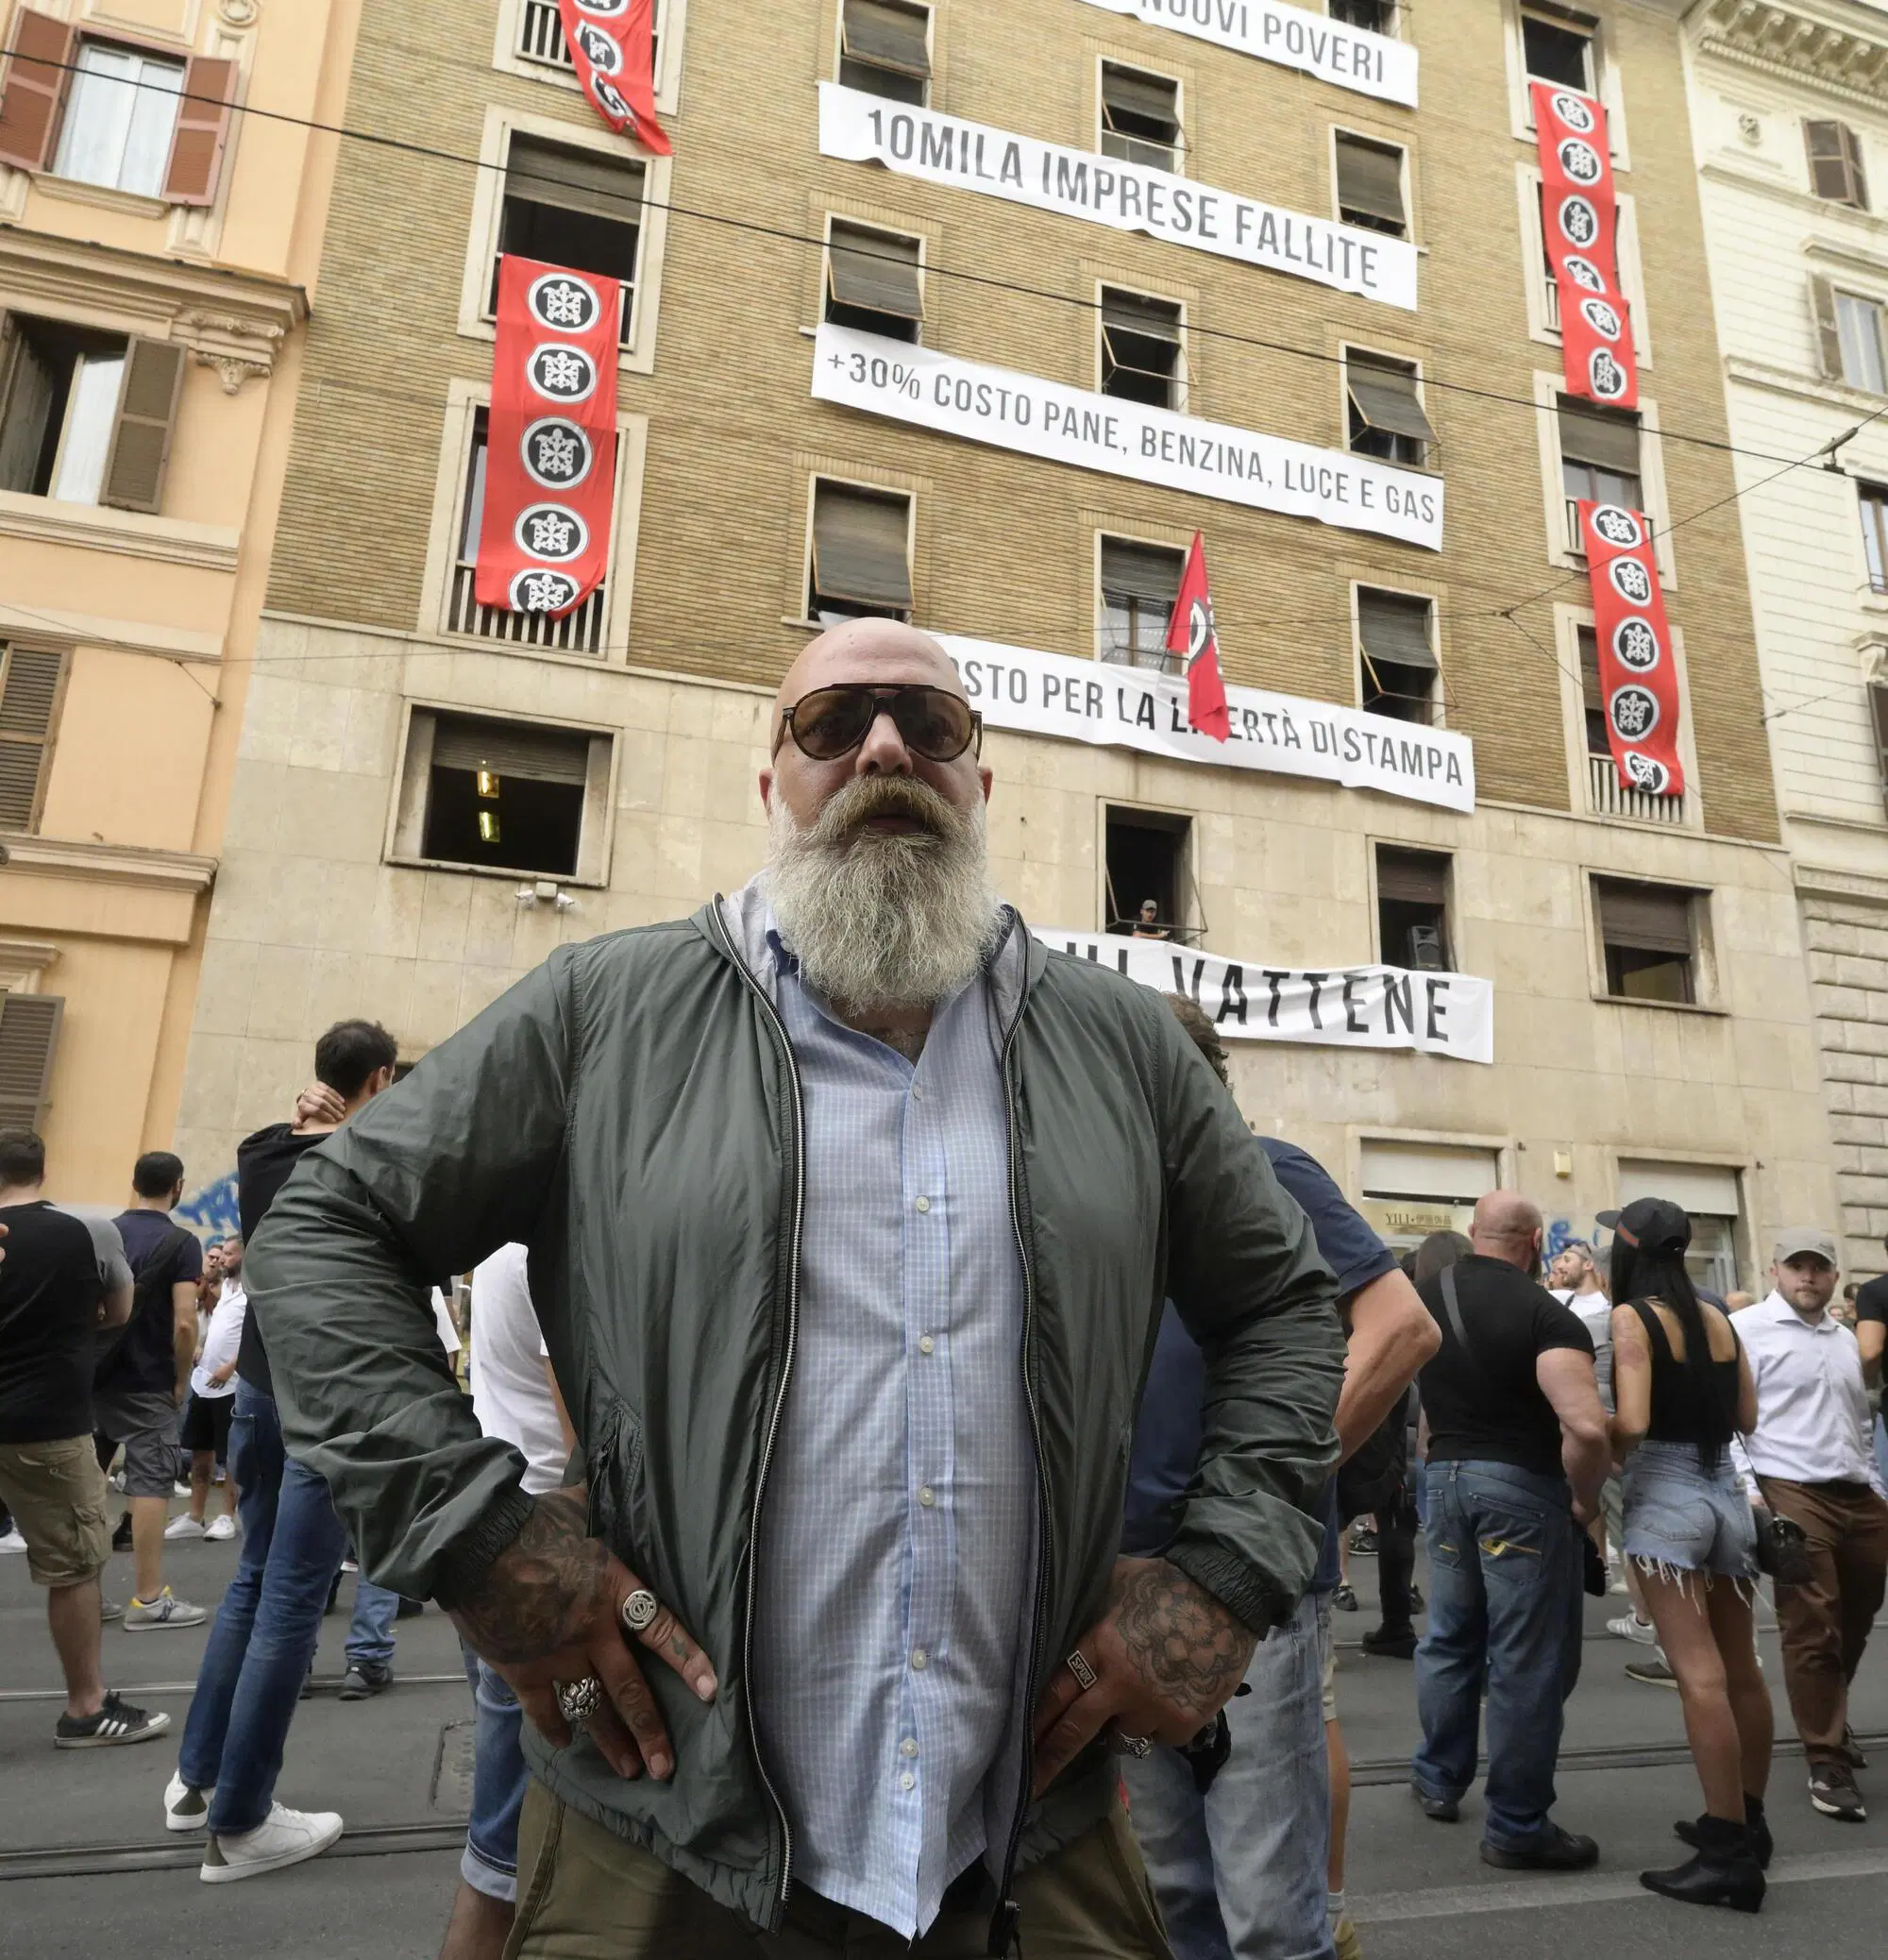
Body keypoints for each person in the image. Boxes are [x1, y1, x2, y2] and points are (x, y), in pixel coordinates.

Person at [246, 617, 1347, 1958]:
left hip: (1028, 1823)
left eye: (928, 724)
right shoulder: (604, 1011)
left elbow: (1284, 1305)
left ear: (980, 781)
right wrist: (480, 1541)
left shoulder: (1120, 1043)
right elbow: (327, 1229)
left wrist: (1226, 1575)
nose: (883, 748)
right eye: (831, 723)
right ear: (772, 783)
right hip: (664, 1824)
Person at [1121, 997, 1438, 1960]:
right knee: (1176, 1899)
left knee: (1266, 1916)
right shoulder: (1121, 1201)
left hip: (1245, 1585)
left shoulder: (1266, 1170)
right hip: (1130, 1582)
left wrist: (1263, 1494)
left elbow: (1401, 1329)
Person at [165, 1021, 398, 1881]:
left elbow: (281, 1141)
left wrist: (311, 1120)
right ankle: (242, 1822)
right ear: (381, 1079)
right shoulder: (366, 1163)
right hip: (323, 1401)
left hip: (259, 1392)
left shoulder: (264, 1155)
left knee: (255, 1582)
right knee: (294, 1600)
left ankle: (195, 1783)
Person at [1409, 1192, 1610, 1869]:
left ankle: (1437, 1777)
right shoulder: (1545, 1313)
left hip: (1445, 1479)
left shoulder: (1426, 1298)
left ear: (1474, 1234)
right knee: (1526, 1659)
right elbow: (1586, 1427)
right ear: (1534, 1242)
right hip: (1520, 1488)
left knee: (1449, 1635)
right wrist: (1585, 1501)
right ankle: (1517, 1825)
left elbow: (1421, 1408)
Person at [1603, 1198, 1767, 1911]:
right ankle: (1747, 1822)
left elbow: (1635, 1421)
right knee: (1741, 1671)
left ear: (1628, 1251)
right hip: (1726, 1491)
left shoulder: (1632, 1317)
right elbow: (1748, 1416)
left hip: (1667, 1496)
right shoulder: (1718, 1316)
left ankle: (1726, 1856)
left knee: (1697, 1676)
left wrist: (1594, 1432)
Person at [0, 1128, 167, 1747]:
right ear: (44, 1172)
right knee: (72, 1565)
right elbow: (119, 1311)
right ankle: (86, 1707)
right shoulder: (88, 1231)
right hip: (46, 1420)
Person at [437, 1242, 576, 1960]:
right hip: (545, 1557)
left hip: (499, 1530)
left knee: (499, 1850)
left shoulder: (502, 1250)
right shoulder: (549, 1247)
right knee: (506, 1860)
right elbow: (583, 1440)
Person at [1738, 1227, 1888, 1824]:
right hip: (1791, 1490)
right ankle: (1826, 1759)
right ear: (1774, 1271)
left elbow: (1856, 1420)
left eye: (1819, 1267)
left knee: (1858, 1616)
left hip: (1857, 1493)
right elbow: (1730, 1421)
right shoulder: (1747, 1330)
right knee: (1812, 1625)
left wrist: (1875, 1485)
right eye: (1797, 1266)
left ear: (1834, 1276)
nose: (1808, 1276)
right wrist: (1751, 1492)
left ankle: (1829, 1711)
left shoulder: (1845, 1338)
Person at [92, 1152, 208, 1630]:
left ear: (135, 1182)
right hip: (147, 1380)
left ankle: (86, 1595)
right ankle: (148, 1598)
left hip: (95, 1378)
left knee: (89, 1485)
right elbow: (185, 1322)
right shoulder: (182, 1242)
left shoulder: (104, 1233)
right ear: (177, 1186)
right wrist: (180, 1380)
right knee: (150, 1483)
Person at [169, 1238, 244, 1543]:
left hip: (231, 1384)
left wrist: (231, 1366)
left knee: (231, 1456)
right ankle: (195, 1516)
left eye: (229, 1254)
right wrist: (201, 1347)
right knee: (201, 1451)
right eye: (221, 1253)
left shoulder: (251, 1292)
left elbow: (255, 1337)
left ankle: (226, 1516)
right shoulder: (224, 1289)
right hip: (203, 1382)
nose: (222, 1259)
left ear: (245, 1256)